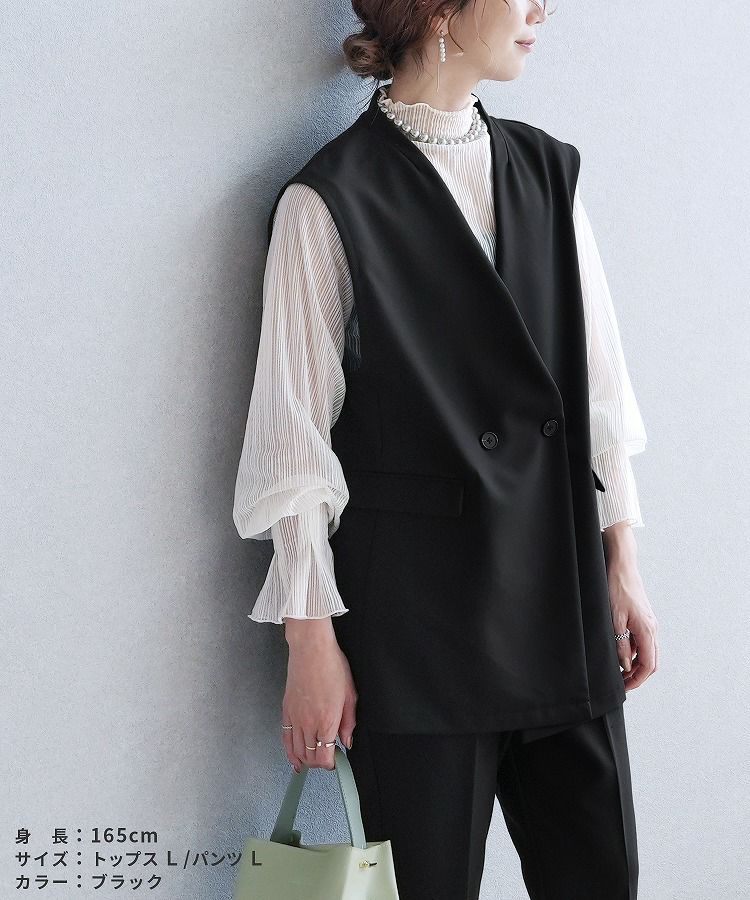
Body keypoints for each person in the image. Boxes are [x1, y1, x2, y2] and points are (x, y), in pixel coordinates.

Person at [233, 1, 659, 897]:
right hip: (417, 632)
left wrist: (622, 562)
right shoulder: (328, 199)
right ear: (439, 10)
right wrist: (311, 643)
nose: (542, 8)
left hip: (561, 602)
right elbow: (293, 443)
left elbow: (599, 391)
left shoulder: (547, 171)